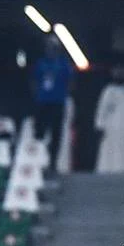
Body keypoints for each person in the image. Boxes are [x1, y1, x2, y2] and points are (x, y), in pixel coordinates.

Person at [31, 37, 74, 165]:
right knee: (39, 131)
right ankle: (37, 159)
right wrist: (37, 95)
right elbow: (34, 80)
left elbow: (71, 81)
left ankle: (52, 162)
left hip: (57, 102)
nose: (50, 50)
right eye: (48, 47)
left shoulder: (63, 64)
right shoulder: (41, 63)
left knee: (56, 132)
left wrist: (63, 94)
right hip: (42, 101)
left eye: (53, 47)